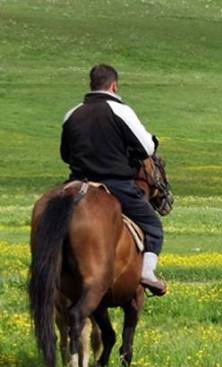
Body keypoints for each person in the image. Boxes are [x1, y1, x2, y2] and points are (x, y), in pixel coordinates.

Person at [60, 64, 167, 296]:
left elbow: (65, 155)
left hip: (77, 183)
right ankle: (147, 274)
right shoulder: (120, 111)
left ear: (91, 85)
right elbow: (147, 147)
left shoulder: (72, 113)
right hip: (114, 184)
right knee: (153, 226)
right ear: (114, 85)